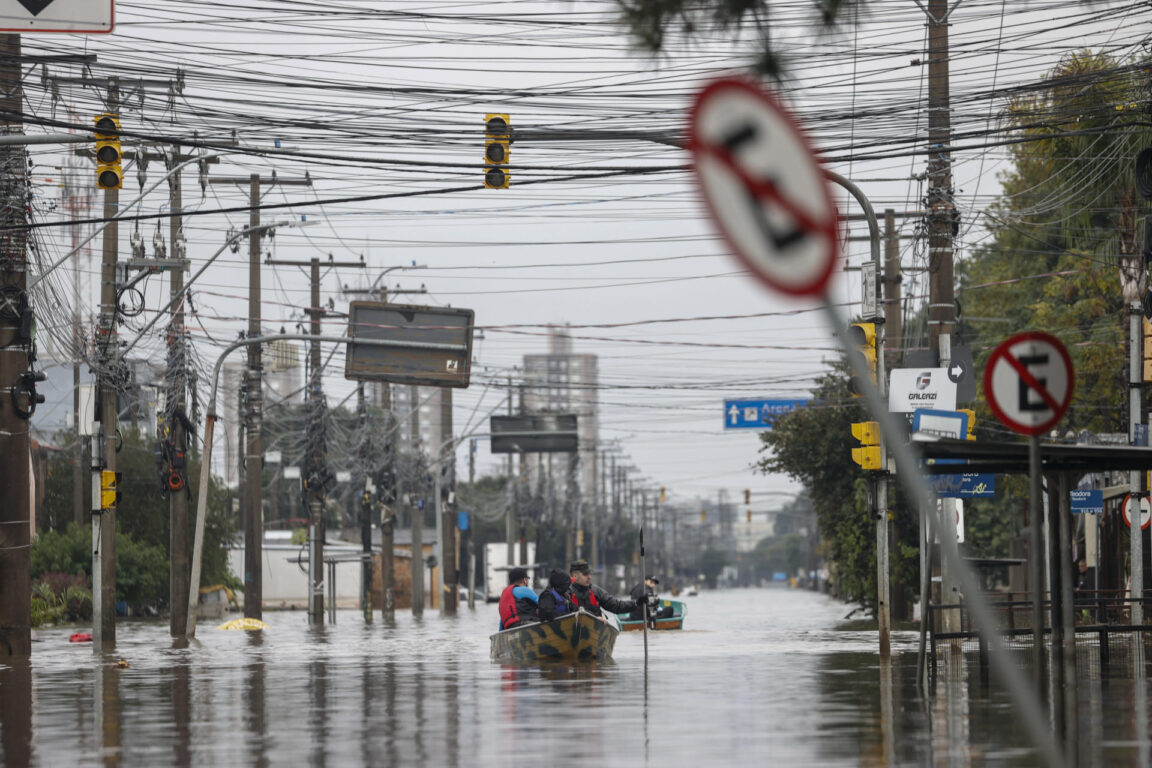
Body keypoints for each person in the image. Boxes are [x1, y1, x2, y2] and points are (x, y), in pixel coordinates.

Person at [565, 559, 637, 618]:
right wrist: (595, 618)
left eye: (589, 573)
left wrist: (636, 603)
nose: (589, 577)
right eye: (585, 574)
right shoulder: (566, 593)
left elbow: (617, 606)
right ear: (575, 576)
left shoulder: (596, 591)